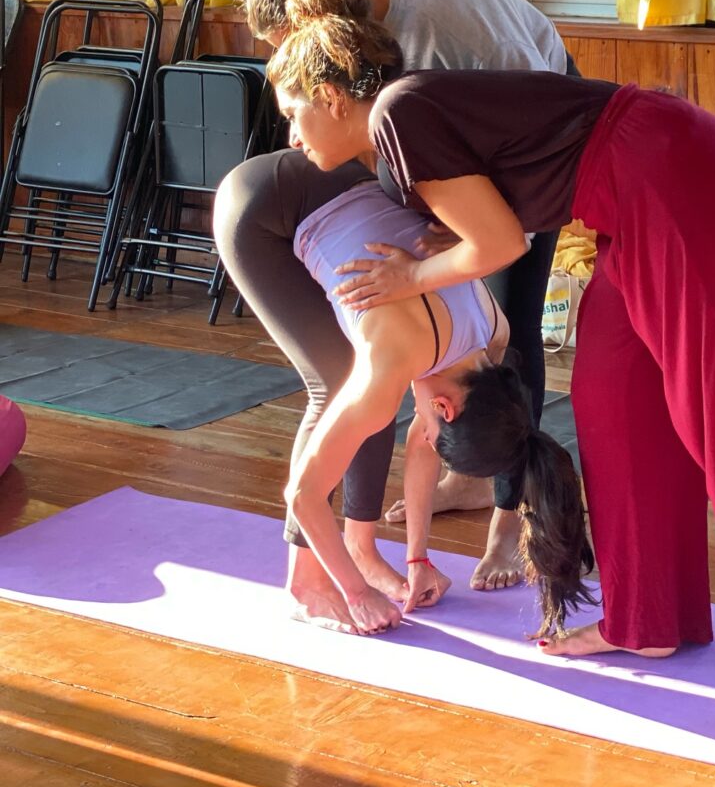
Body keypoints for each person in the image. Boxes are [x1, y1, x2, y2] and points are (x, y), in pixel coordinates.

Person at [261, 0, 715, 740]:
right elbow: (483, 216)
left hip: (675, 175)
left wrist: (411, 274)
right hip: (633, 198)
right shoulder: (400, 126)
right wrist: (428, 247)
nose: (291, 135)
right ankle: (646, 616)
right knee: (611, 397)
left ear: (330, 97)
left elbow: (500, 244)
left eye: (293, 113)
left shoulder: (396, 112)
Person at [229, 0, 579, 594]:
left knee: (499, 317)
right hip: (278, 209)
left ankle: (503, 517)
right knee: (354, 380)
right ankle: (348, 553)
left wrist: (457, 247)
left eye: (290, 47)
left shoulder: (441, 21)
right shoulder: (378, 94)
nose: (289, 70)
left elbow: (507, 234)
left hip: (539, 135)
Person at [214, 156, 592, 634]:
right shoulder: (393, 361)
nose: (424, 435)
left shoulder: (493, 333)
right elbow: (302, 494)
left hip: (337, 176)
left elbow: (421, 442)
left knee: (369, 404)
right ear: (444, 408)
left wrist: (418, 557)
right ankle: (307, 587)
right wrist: (357, 593)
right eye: (435, 430)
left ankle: (359, 549)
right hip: (259, 207)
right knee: (333, 389)